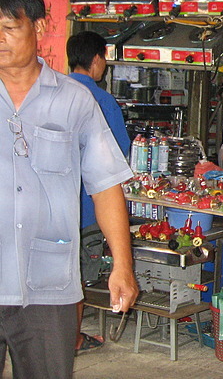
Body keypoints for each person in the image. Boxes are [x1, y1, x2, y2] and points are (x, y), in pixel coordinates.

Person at [0, 0, 138, 379]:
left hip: (47, 286)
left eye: (9, 27)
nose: (0, 39)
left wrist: (122, 266)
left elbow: (105, 185)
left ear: (40, 27)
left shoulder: (75, 101)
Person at [67, 30, 132, 354]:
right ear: (96, 60)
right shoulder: (101, 100)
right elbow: (118, 154)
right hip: (90, 208)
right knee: (75, 279)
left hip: (55, 210)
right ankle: (73, 338)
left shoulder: (53, 91)